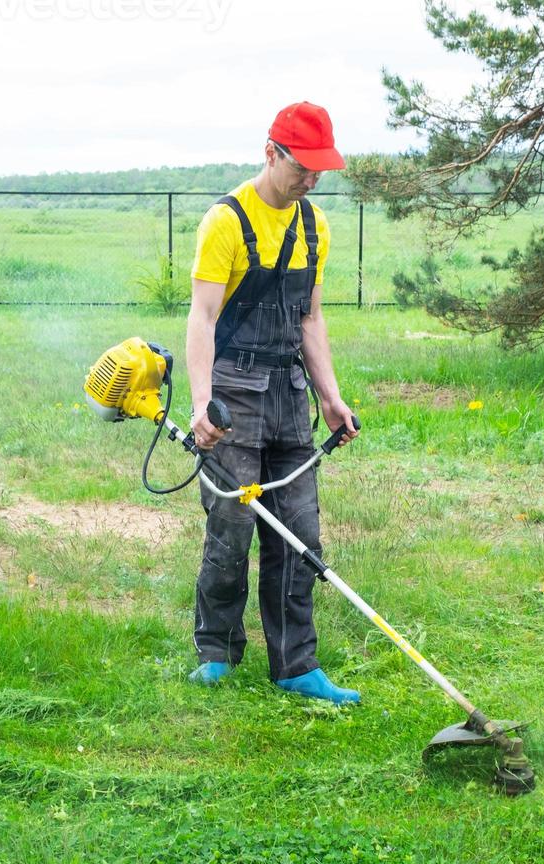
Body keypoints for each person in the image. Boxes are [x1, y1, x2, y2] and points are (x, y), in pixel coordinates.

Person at [183, 101, 361, 705]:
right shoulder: (226, 222)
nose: (311, 180)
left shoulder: (315, 227)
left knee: (300, 534)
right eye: (302, 167)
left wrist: (330, 398)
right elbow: (203, 318)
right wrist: (203, 403)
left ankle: (295, 665)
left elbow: (310, 319)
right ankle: (217, 652)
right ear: (271, 152)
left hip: (288, 395)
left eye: (320, 170)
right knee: (231, 526)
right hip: (233, 392)